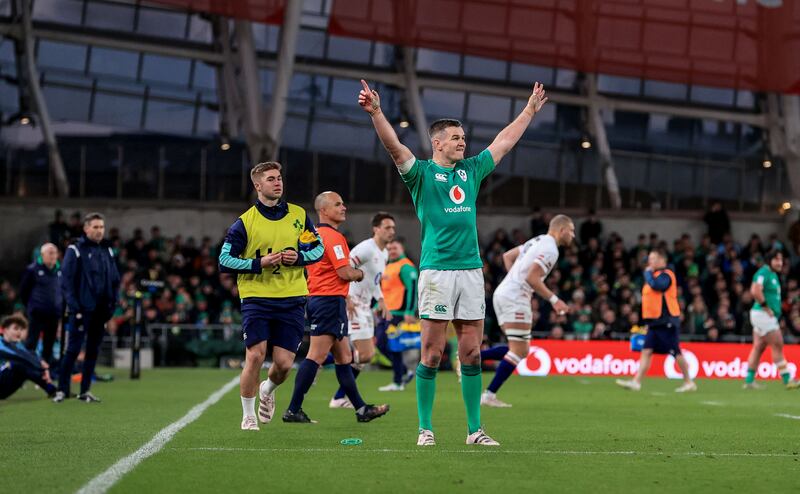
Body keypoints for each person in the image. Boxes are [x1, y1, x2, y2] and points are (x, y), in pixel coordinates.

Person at [360, 77, 548, 446]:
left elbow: (504, 143)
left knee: (472, 351)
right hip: (437, 271)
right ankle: (425, 429)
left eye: (464, 137)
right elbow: (394, 147)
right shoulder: (422, 175)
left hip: (470, 271)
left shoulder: (472, 170)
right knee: (431, 353)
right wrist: (377, 112)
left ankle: (475, 430)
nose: (463, 142)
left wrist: (528, 110)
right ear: (438, 143)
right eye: (456, 137)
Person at [218, 161, 324, 431]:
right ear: (257, 186)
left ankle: (268, 388)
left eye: (279, 178)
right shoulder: (244, 223)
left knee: (284, 364)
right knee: (254, 356)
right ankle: (248, 415)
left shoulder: (299, 215)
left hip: (292, 297)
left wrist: (299, 257)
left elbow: (318, 250)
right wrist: (258, 263)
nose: (278, 182)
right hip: (256, 297)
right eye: (271, 179)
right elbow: (224, 260)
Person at [283, 191, 390, 424]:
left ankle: (362, 409)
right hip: (328, 300)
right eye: (338, 204)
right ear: (323, 210)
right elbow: (344, 272)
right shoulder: (333, 237)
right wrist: (361, 274)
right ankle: (293, 409)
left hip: (325, 300)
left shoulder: (314, 235)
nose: (344, 207)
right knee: (316, 355)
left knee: (345, 357)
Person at [479, 215, 575, 407]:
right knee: (519, 350)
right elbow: (532, 278)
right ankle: (488, 393)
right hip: (515, 298)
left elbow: (508, 256)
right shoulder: (550, 249)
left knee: (520, 349)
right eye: (571, 230)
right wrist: (555, 300)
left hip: (504, 294)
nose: (573, 235)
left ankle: (471, 357)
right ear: (562, 230)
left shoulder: (537, 240)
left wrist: (513, 280)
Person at [329, 212, 395, 408]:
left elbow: (373, 281)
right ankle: (319, 362)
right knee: (364, 354)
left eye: (393, 228)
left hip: (366, 305)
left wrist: (381, 299)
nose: (391, 231)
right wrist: (346, 296)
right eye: (387, 227)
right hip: (354, 303)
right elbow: (344, 269)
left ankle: (338, 396)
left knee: (365, 356)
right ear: (376, 229)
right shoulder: (366, 248)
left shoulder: (383, 253)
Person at [55, 213, 120, 403]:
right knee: (73, 351)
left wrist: (112, 305)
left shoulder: (107, 251)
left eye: (102, 227)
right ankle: (62, 390)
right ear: (86, 228)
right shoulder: (75, 250)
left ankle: (85, 391)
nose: (99, 231)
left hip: (101, 312)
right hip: (82, 311)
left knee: (92, 351)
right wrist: (76, 308)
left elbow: (115, 280)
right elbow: (66, 282)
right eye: (96, 227)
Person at [616, 249, 697, 392]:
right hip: (654, 322)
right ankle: (636, 382)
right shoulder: (653, 276)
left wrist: (647, 273)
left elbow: (658, 286)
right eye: (650, 259)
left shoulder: (666, 275)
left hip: (666, 320)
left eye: (653, 259)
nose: (650, 262)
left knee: (675, 352)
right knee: (646, 351)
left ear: (662, 260)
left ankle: (689, 381)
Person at [743, 251, 800, 390]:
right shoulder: (763, 272)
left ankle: (749, 380)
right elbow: (755, 290)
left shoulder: (772, 274)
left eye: (781, 260)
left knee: (759, 347)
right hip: (763, 315)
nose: (780, 263)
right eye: (776, 259)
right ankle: (787, 380)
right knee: (778, 344)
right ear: (769, 261)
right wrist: (765, 306)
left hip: (763, 315)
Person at [377, 239, 419, 391]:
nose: (392, 251)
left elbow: (413, 289)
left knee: (390, 345)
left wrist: (409, 310)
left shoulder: (406, 266)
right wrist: (378, 305)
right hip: (386, 311)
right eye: (389, 248)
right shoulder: (388, 266)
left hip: (398, 312)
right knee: (382, 343)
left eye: (395, 248)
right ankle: (402, 373)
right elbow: (386, 290)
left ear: (402, 249)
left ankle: (398, 380)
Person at [19, 243, 63, 366]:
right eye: (50, 253)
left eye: (55, 253)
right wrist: (32, 306)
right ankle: (26, 369)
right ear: (42, 255)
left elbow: (63, 290)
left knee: (49, 344)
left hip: (54, 314)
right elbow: (23, 291)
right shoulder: (32, 269)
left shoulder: (60, 271)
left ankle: (45, 372)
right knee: (31, 342)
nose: (53, 256)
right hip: (37, 313)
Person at [0, 314, 57, 399]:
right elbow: (18, 356)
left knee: (22, 366)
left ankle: (52, 390)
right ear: (4, 330)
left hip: (4, 391)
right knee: (16, 364)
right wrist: (41, 366)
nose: (19, 332)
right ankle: (52, 389)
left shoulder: (18, 345)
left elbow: (31, 355)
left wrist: (42, 365)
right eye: (15, 328)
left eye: (20, 329)